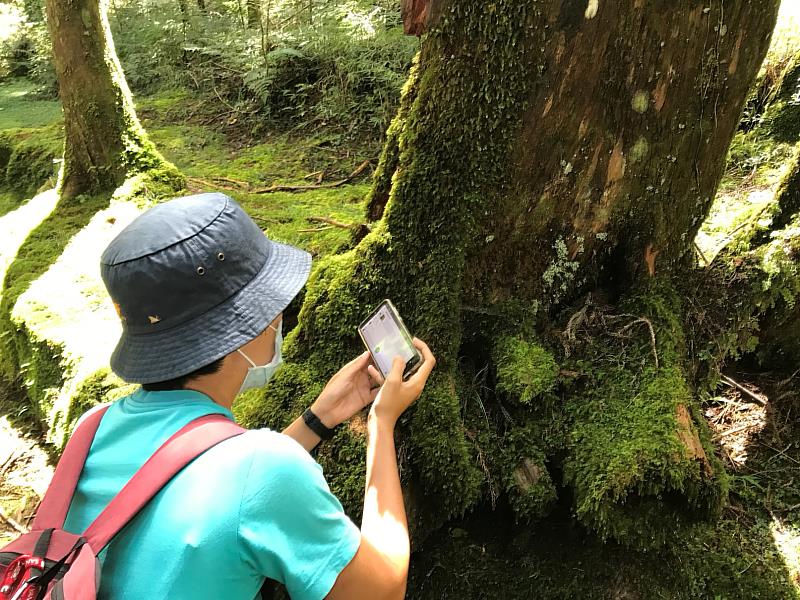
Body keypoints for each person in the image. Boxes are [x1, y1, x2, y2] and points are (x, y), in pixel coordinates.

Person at [62, 192, 436, 599]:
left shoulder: (91, 428)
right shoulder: (263, 467)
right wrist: (382, 424)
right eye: (272, 305)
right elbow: (381, 590)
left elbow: (210, 487)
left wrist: (318, 419)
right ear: (240, 329)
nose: (279, 317)